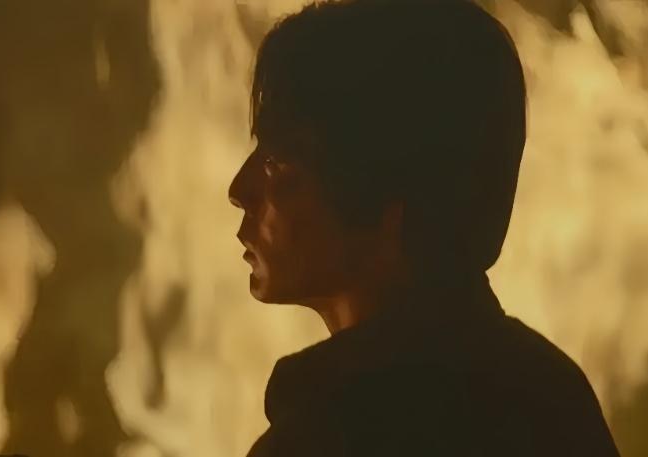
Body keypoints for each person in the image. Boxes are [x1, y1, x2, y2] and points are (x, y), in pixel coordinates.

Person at [228, 0, 621, 455]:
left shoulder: (327, 438)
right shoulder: (553, 396)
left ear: (385, 187)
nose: (240, 189)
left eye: (277, 162)